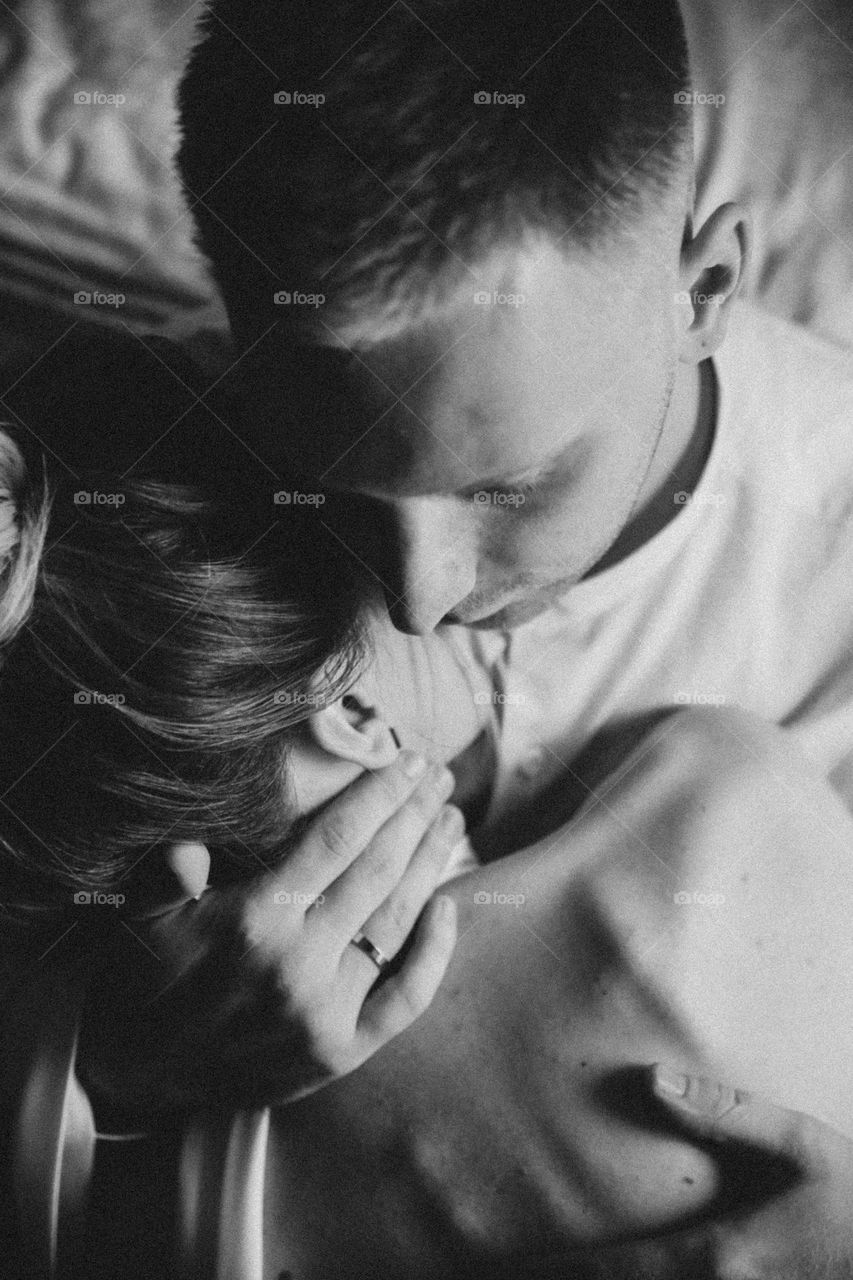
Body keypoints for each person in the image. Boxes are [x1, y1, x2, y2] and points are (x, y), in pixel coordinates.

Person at [169, 0, 853, 1272]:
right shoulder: (180, 453)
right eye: (345, 483)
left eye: (507, 488)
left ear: (701, 291)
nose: (419, 596)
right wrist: (115, 1049)